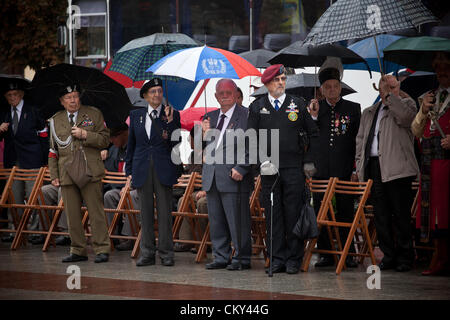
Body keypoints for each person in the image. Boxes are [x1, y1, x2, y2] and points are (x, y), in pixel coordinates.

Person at [247, 64, 319, 274]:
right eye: (277, 80)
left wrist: (308, 161)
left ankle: (293, 259)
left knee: (292, 214)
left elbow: (313, 133)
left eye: (283, 79)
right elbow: (251, 137)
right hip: (269, 171)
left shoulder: (297, 104)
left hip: (293, 169)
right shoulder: (257, 106)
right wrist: (261, 163)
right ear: (267, 84)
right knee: (273, 215)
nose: (281, 83)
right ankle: (277, 258)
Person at [355, 75, 419, 272]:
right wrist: (359, 166)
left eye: (392, 86)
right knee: (381, 215)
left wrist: (391, 97)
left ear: (398, 87)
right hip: (374, 166)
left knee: (400, 214)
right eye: (384, 86)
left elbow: (407, 120)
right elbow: (360, 140)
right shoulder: (370, 111)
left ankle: (405, 257)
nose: (387, 89)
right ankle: (388, 256)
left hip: (398, 168)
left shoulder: (408, 105)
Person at [48, 83, 111, 263]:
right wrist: (54, 175)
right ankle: (78, 250)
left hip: (90, 170)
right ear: (62, 101)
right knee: (72, 214)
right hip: (66, 172)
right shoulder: (55, 119)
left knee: (95, 211)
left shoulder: (93, 114)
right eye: (68, 98)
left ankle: (102, 249)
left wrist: (85, 134)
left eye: (75, 96)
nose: (73, 100)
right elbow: (53, 150)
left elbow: (105, 140)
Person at [308, 57, 361, 268]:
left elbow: (359, 140)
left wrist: (356, 168)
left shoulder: (352, 108)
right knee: (320, 210)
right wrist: (312, 117)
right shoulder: (314, 108)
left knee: (346, 211)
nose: (332, 90)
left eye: (335, 86)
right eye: (328, 87)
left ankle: (348, 253)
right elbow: (308, 139)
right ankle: (326, 253)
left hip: (344, 169)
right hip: (320, 171)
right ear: (321, 90)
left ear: (340, 87)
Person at [126, 78, 181, 267]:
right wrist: (129, 170)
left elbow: (175, 142)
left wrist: (170, 121)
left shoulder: (172, 114)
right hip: (142, 168)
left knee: (165, 213)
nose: (157, 95)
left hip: (163, 168)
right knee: (145, 213)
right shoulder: (136, 116)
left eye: (159, 91)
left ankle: (166, 253)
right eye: (153, 92)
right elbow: (131, 145)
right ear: (145, 96)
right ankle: (147, 252)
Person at [201, 79, 253, 271]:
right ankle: (221, 256)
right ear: (215, 96)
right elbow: (202, 149)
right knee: (216, 221)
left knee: (238, 221)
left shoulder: (246, 115)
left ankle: (242, 258)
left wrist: (242, 167)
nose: (224, 95)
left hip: (234, 177)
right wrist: (203, 135)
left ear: (236, 94)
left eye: (228, 92)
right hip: (212, 176)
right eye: (220, 93)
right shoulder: (209, 117)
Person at [411, 51, 450, 276]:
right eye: (438, 69)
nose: (442, 73)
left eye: (446, 68)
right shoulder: (429, 96)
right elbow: (416, 130)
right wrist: (423, 111)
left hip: (448, 163)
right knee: (434, 214)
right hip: (430, 163)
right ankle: (439, 257)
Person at [0, 78, 48, 242]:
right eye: (8, 95)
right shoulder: (4, 113)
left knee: (32, 196)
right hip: (13, 160)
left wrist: (44, 161)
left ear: (21, 95)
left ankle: (34, 232)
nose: (12, 97)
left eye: (14, 94)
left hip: (32, 160)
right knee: (14, 197)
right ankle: (15, 230)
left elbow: (43, 136)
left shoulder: (33, 110)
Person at [103, 123, 140, 251]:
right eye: (110, 138)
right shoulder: (113, 150)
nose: (111, 140)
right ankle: (112, 234)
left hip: (137, 188)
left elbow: (142, 170)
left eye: (114, 137)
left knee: (131, 195)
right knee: (109, 195)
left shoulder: (137, 147)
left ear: (125, 133)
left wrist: (130, 185)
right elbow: (111, 172)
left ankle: (130, 237)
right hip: (119, 187)